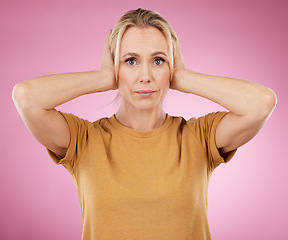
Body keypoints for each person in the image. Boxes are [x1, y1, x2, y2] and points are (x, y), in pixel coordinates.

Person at [12, 8, 276, 240]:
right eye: (131, 61)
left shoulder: (199, 137)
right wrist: (104, 76)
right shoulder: (84, 139)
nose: (146, 76)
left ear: (170, 68)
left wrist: (183, 77)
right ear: (117, 67)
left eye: (158, 61)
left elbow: (261, 103)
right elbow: (26, 97)